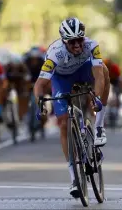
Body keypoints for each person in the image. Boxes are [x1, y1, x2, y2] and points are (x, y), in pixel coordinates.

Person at [33, 17, 110, 197]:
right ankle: (74, 178)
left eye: (80, 40)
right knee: (63, 123)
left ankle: (98, 126)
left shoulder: (92, 46)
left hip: (84, 70)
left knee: (105, 71)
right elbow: (39, 84)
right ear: (64, 41)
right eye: (72, 42)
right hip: (62, 78)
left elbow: (99, 76)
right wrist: (40, 104)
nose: (77, 45)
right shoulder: (55, 53)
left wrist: (96, 98)